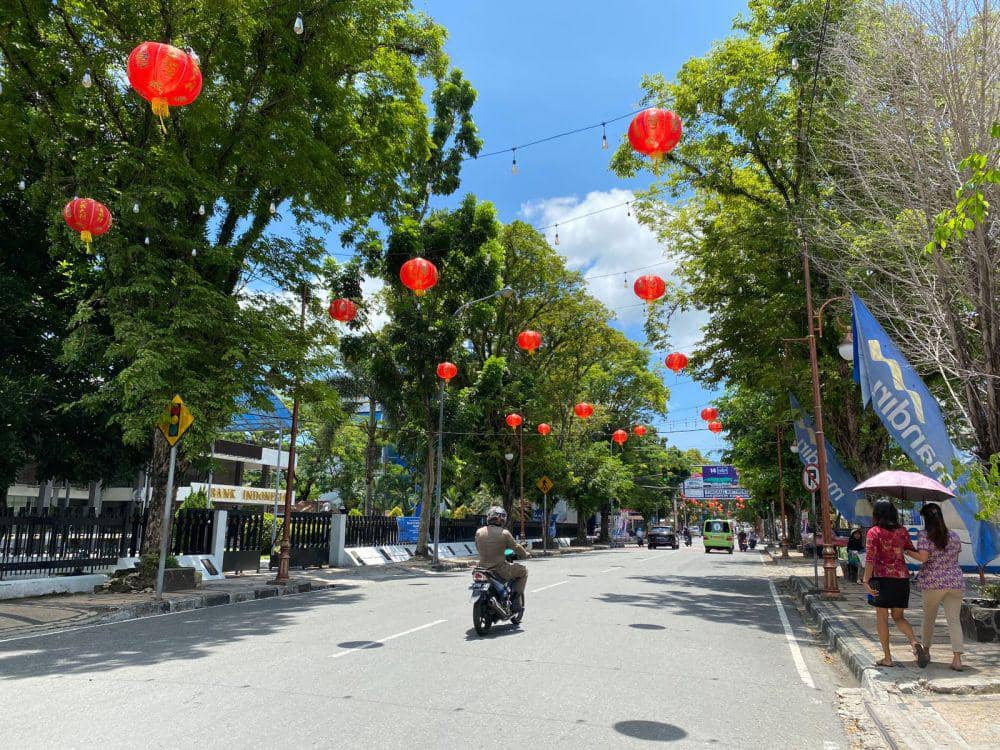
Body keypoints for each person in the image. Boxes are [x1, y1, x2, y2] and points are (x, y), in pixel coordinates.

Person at [863, 499, 926, 668]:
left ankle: (887, 658)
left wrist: (865, 580)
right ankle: (914, 642)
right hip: (902, 579)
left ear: (876, 514)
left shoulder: (874, 532)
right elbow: (912, 552)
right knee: (898, 616)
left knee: (882, 617)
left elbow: (870, 558)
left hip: (881, 579)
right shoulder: (902, 531)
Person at [904, 503, 965, 671]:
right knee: (954, 620)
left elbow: (923, 558)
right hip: (955, 581)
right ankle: (957, 659)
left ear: (926, 519)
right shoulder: (954, 535)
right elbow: (955, 558)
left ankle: (927, 651)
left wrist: (907, 551)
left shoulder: (924, 535)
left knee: (929, 618)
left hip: (933, 582)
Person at [475, 506, 529, 610]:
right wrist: (525, 554)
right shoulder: (505, 533)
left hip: (481, 568)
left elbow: (478, 547)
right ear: (502, 519)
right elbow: (516, 547)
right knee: (523, 571)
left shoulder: (479, 532)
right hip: (499, 569)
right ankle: (516, 602)